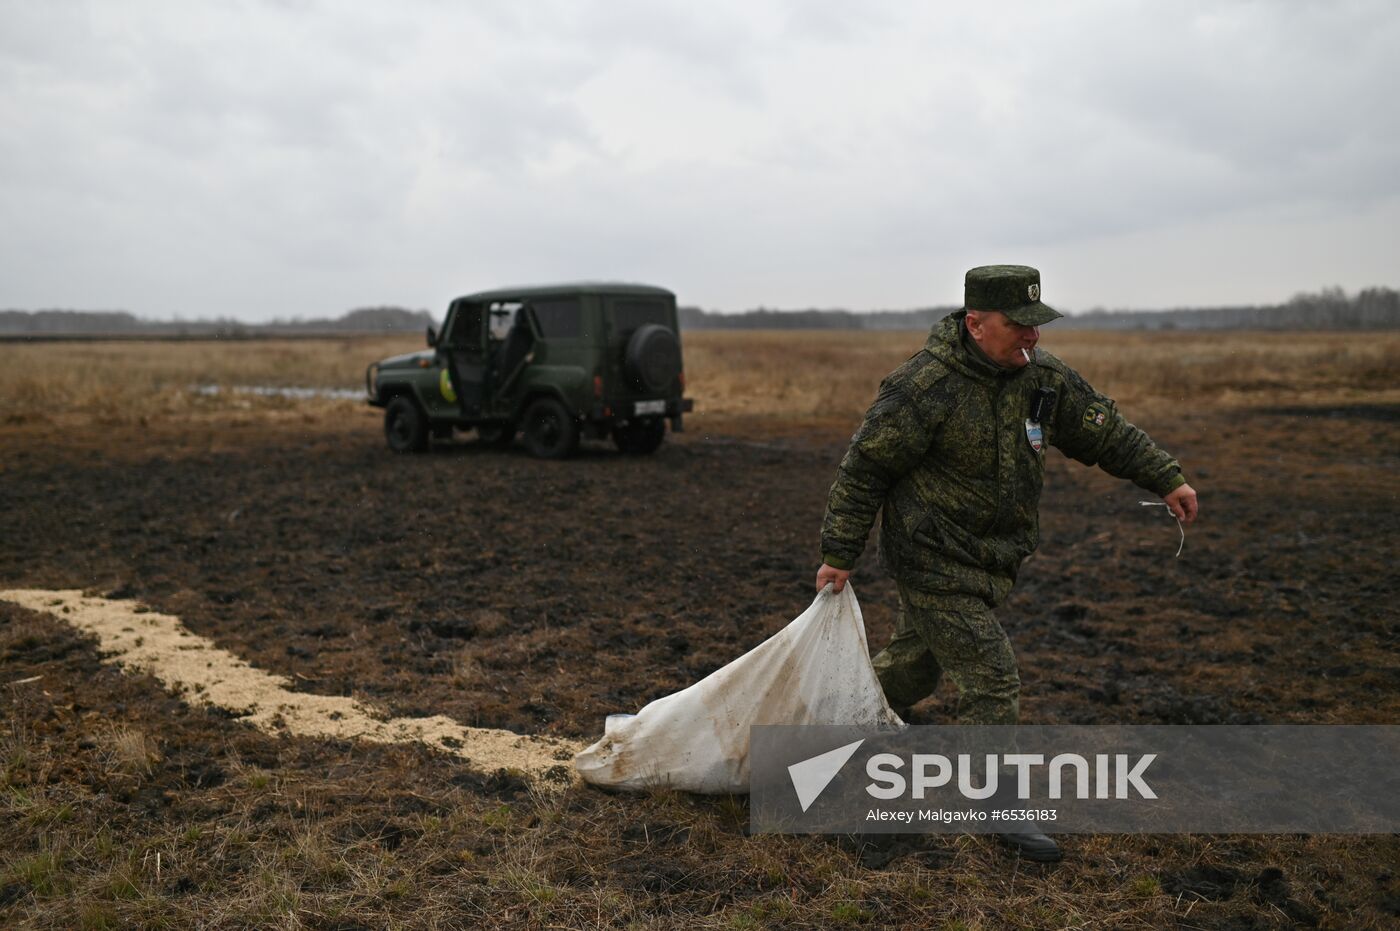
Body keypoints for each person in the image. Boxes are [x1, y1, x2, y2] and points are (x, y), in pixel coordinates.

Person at [815, 264, 1198, 862]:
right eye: (1019, 325)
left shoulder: (1042, 379)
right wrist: (840, 553)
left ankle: (815, 737)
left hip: (991, 561)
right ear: (975, 323)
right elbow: (866, 469)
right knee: (993, 679)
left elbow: (1103, 432)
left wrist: (1165, 476)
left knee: (913, 672)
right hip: (931, 557)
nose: (1032, 337)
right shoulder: (923, 387)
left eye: (1036, 324)